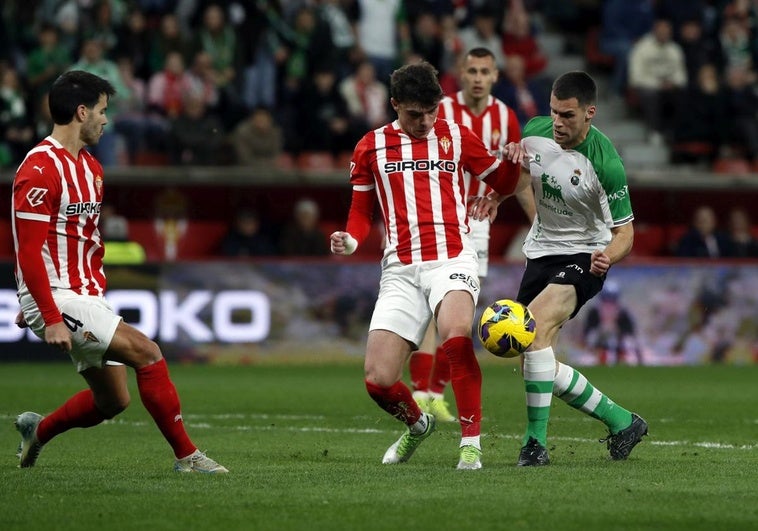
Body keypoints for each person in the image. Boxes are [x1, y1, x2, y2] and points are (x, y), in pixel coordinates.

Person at [11, 70, 227, 473]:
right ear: (81, 112)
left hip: (82, 293)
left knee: (113, 401)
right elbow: (28, 250)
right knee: (148, 353)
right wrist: (47, 311)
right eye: (102, 111)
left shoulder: (91, 168)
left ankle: (37, 432)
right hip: (58, 296)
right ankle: (188, 457)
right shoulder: (39, 169)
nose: (106, 120)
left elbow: (77, 239)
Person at [330, 61, 526, 470]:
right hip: (400, 269)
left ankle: (471, 445)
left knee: (455, 336)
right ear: (395, 105)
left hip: (452, 256)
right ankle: (418, 425)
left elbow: (503, 183)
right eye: (414, 114)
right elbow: (361, 211)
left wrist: (513, 157)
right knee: (378, 380)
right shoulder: (371, 146)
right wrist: (350, 239)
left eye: (431, 112)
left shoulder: (455, 135)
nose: (425, 122)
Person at [472, 71, 648, 466]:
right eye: (554, 112)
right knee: (532, 354)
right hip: (541, 251)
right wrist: (498, 196)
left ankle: (534, 445)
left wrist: (610, 256)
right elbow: (521, 173)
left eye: (567, 115)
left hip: (585, 255)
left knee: (530, 328)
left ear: (590, 114)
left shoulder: (606, 165)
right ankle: (622, 422)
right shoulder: (535, 131)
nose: (558, 123)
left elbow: (626, 233)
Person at [408, 47, 535, 424]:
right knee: (428, 308)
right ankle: (421, 391)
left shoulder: (505, 117)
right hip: (437, 215)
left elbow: (516, 177)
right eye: (472, 70)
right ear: (460, 74)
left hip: (478, 222)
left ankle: (433, 394)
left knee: (458, 311)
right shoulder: (439, 109)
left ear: (495, 76)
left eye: (485, 71)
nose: (478, 77)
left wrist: (537, 220)